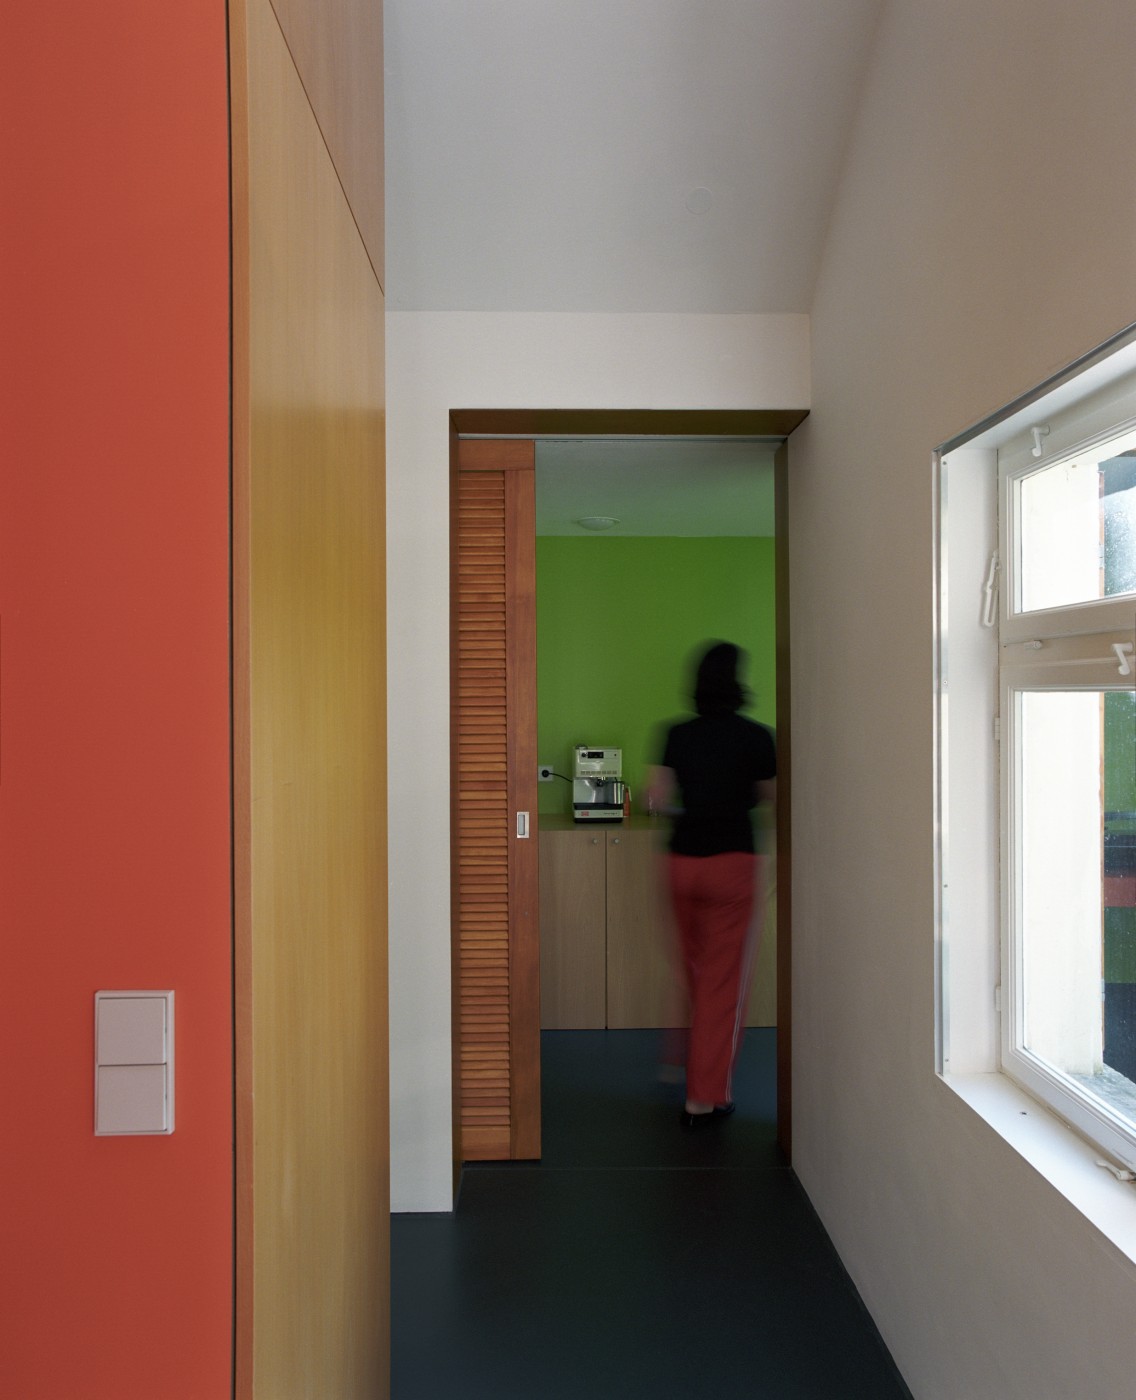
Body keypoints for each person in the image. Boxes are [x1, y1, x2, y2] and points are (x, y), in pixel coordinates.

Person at [648, 641, 776, 1129]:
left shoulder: (675, 734)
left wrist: (690, 800)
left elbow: (657, 798)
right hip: (732, 865)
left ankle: (683, 1057)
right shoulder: (758, 738)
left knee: (695, 970)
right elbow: (771, 800)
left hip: (682, 864)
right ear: (739, 680)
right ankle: (704, 1098)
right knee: (723, 985)